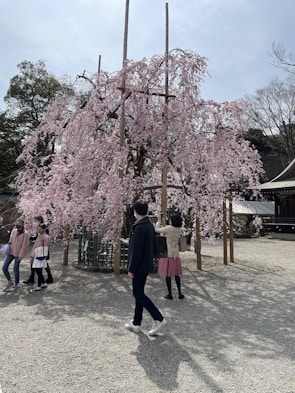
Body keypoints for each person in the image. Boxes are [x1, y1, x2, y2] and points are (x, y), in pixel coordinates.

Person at [125, 201, 167, 336]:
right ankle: (137, 322)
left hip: (139, 266)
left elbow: (137, 251)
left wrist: (131, 268)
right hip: (145, 263)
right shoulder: (148, 224)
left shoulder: (140, 227)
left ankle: (159, 318)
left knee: (138, 294)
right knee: (139, 293)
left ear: (135, 211)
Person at [155, 213, 185, 300]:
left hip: (168, 253)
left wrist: (159, 221)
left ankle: (170, 294)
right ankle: (180, 293)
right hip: (176, 254)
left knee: (168, 275)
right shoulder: (179, 229)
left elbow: (157, 230)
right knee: (176, 275)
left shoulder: (169, 228)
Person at [23, 215, 53, 284]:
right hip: (39, 250)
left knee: (43, 265)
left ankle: (46, 279)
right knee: (38, 264)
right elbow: (36, 238)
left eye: (35, 221)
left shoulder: (43, 228)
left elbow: (42, 240)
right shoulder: (39, 228)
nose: (34, 222)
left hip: (42, 250)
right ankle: (32, 278)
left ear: (39, 221)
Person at [2, 219, 29, 292]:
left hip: (18, 254)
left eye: (19, 223)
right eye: (16, 223)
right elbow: (10, 240)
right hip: (11, 252)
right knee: (4, 267)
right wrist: (8, 246)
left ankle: (16, 284)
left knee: (15, 269)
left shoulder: (25, 233)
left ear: (22, 224)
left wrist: (21, 255)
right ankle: (10, 282)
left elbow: (25, 246)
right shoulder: (14, 231)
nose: (17, 224)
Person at [30, 223, 50, 292]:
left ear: (44, 229)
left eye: (41, 229)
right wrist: (32, 255)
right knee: (36, 270)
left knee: (39, 270)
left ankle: (39, 286)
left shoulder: (46, 237)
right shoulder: (39, 236)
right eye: (38, 229)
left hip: (41, 255)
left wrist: (41, 241)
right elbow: (35, 245)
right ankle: (43, 283)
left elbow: (46, 246)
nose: (39, 230)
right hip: (36, 254)